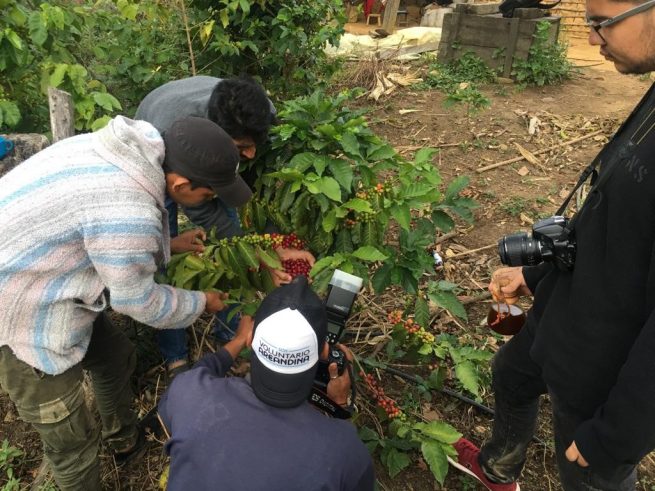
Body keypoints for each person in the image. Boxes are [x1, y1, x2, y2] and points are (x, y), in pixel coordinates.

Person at [447, 1, 655, 489]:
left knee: (588, 476)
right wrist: (535, 272)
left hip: (600, 371)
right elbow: (608, 216)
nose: (590, 39)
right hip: (564, 320)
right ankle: (500, 466)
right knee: (510, 377)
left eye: (602, 22)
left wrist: (615, 438)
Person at [0, 115, 247, 490]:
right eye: (208, 195)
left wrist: (169, 245)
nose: (209, 203)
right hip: (21, 315)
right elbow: (137, 300)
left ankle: (123, 440)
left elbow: (101, 232)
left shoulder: (133, 151)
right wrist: (200, 303)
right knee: (71, 443)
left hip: (47, 278)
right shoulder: (128, 209)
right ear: (180, 184)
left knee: (115, 358)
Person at [136, 76, 312, 374]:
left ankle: (230, 339)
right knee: (164, 258)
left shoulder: (259, 110)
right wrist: (261, 258)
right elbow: (207, 214)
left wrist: (271, 247)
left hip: (202, 159)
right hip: (158, 166)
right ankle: (175, 356)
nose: (252, 153)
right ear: (217, 136)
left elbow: (240, 206)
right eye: (242, 146)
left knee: (231, 253)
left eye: (254, 143)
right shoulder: (167, 136)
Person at [158, 277, 375, 490]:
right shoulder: (344, 451)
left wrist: (237, 341)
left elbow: (181, 396)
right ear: (324, 352)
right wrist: (338, 404)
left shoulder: (190, 393)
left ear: (251, 340)